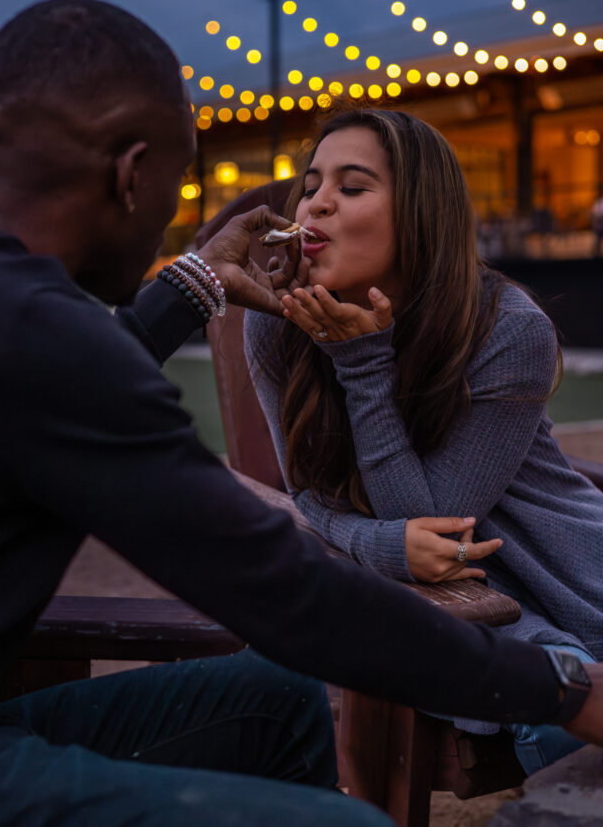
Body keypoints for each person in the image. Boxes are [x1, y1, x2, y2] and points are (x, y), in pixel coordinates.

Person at [0, 0, 601, 827]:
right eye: (179, 183)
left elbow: (48, 379)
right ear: (131, 175)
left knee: (276, 696)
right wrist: (564, 689)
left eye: (349, 186)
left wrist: (191, 284)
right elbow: (283, 590)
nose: (312, 206)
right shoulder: (50, 340)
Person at [244, 107, 603, 778]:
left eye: (352, 186)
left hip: (570, 579)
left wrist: (361, 364)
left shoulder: (506, 327)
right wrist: (380, 543)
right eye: (311, 185)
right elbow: (310, 495)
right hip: (442, 609)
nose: (316, 202)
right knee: (552, 699)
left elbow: (435, 521)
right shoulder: (273, 322)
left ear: (420, 213)